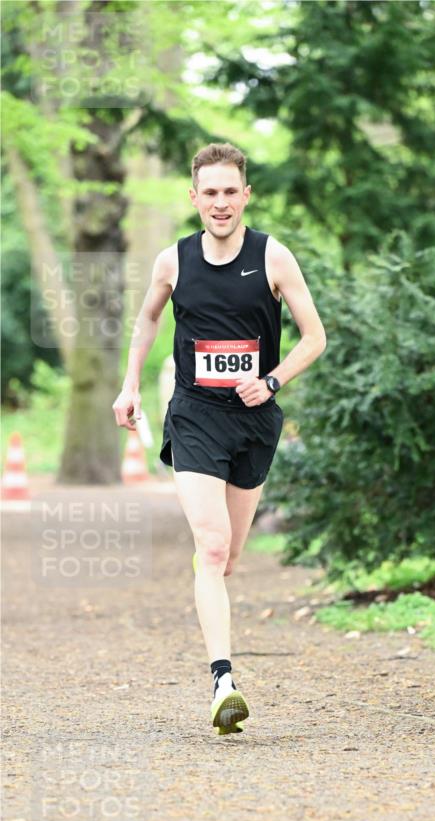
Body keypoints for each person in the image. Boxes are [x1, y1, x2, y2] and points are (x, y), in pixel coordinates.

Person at [112, 142, 326, 735]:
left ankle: (210, 569)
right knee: (211, 546)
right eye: (210, 192)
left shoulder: (273, 257)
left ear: (246, 195)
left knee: (228, 556)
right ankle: (223, 681)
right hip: (195, 415)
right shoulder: (173, 261)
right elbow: (147, 318)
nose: (221, 202)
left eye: (231, 191)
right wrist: (130, 384)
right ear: (194, 197)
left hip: (254, 420)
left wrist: (273, 380)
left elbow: (315, 337)